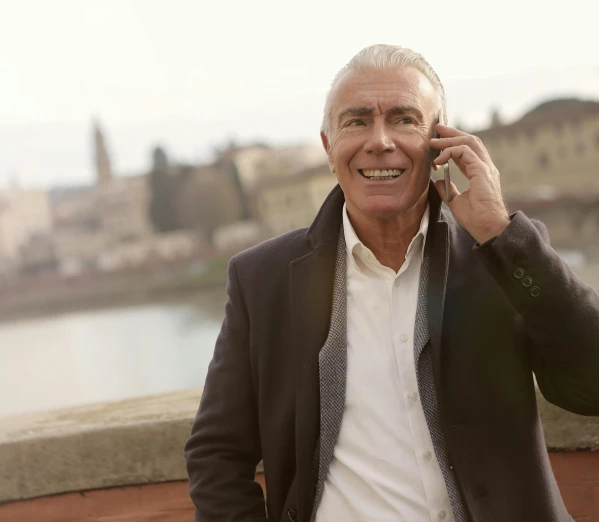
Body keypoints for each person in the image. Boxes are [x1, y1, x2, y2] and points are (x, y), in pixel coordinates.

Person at [184, 44, 599, 522]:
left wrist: (501, 234)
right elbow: (217, 452)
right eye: (356, 121)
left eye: (404, 119)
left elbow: (591, 388)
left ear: (440, 142)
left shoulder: (502, 258)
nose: (379, 140)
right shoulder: (262, 279)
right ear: (328, 146)